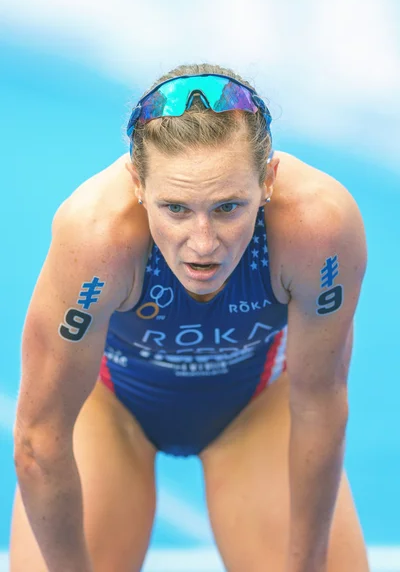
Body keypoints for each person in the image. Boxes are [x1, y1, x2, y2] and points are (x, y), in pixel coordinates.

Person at [10, 62, 370, 572]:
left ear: (268, 179)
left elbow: (320, 401)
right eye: (176, 208)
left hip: (255, 412)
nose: (203, 245)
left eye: (228, 207)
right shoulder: (97, 238)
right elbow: (39, 436)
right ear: (137, 183)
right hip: (111, 414)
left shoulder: (318, 228)